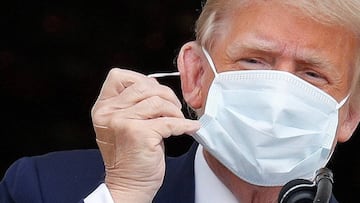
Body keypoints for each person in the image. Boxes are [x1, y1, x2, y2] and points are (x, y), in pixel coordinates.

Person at [1, 0, 360, 202]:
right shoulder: (45, 188)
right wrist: (125, 194)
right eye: (254, 61)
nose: (279, 100)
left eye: (312, 74)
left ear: (350, 114)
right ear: (196, 76)